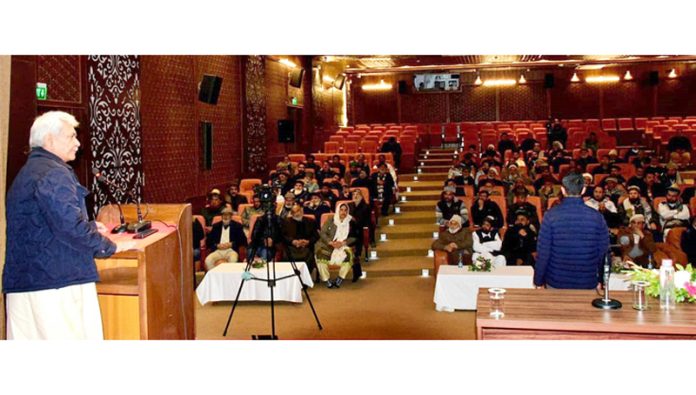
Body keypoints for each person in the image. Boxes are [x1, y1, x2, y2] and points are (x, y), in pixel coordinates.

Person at [3, 111, 134, 339]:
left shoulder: (28, 172)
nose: (78, 143)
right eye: (71, 137)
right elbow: (69, 228)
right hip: (57, 284)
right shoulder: (55, 173)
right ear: (49, 140)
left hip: (27, 281)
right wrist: (111, 247)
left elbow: (45, 222)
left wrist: (91, 226)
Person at [534, 173, 609, 289]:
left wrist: (538, 280)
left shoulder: (550, 215)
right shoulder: (597, 217)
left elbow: (544, 252)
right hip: (587, 281)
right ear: (584, 190)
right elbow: (603, 252)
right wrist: (602, 280)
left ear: (563, 190)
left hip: (556, 281)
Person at [315, 203, 359, 288]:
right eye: (341, 210)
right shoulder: (331, 219)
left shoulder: (351, 221)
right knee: (320, 255)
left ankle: (340, 278)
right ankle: (326, 279)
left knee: (349, 255)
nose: (343, 212)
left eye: (345, 210)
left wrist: (343, 243)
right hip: (329, 244)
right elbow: (323, 233)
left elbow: (355, 237)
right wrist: (331, 242)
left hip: (343, 245)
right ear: (338, 210)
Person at [282, 205, 319, 281]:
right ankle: (291, 279)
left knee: (309, 256)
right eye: (294, 212)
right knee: (286, 255)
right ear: (291, 214)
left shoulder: (311, 221)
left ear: (302, 211)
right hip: (291, 247)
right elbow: (282, 236)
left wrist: (308, 242)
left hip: (306, 247)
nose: (297, 214)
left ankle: (304, 280)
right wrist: (293, 241)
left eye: (298, 211)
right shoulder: (286, 222)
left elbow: (316, 236)